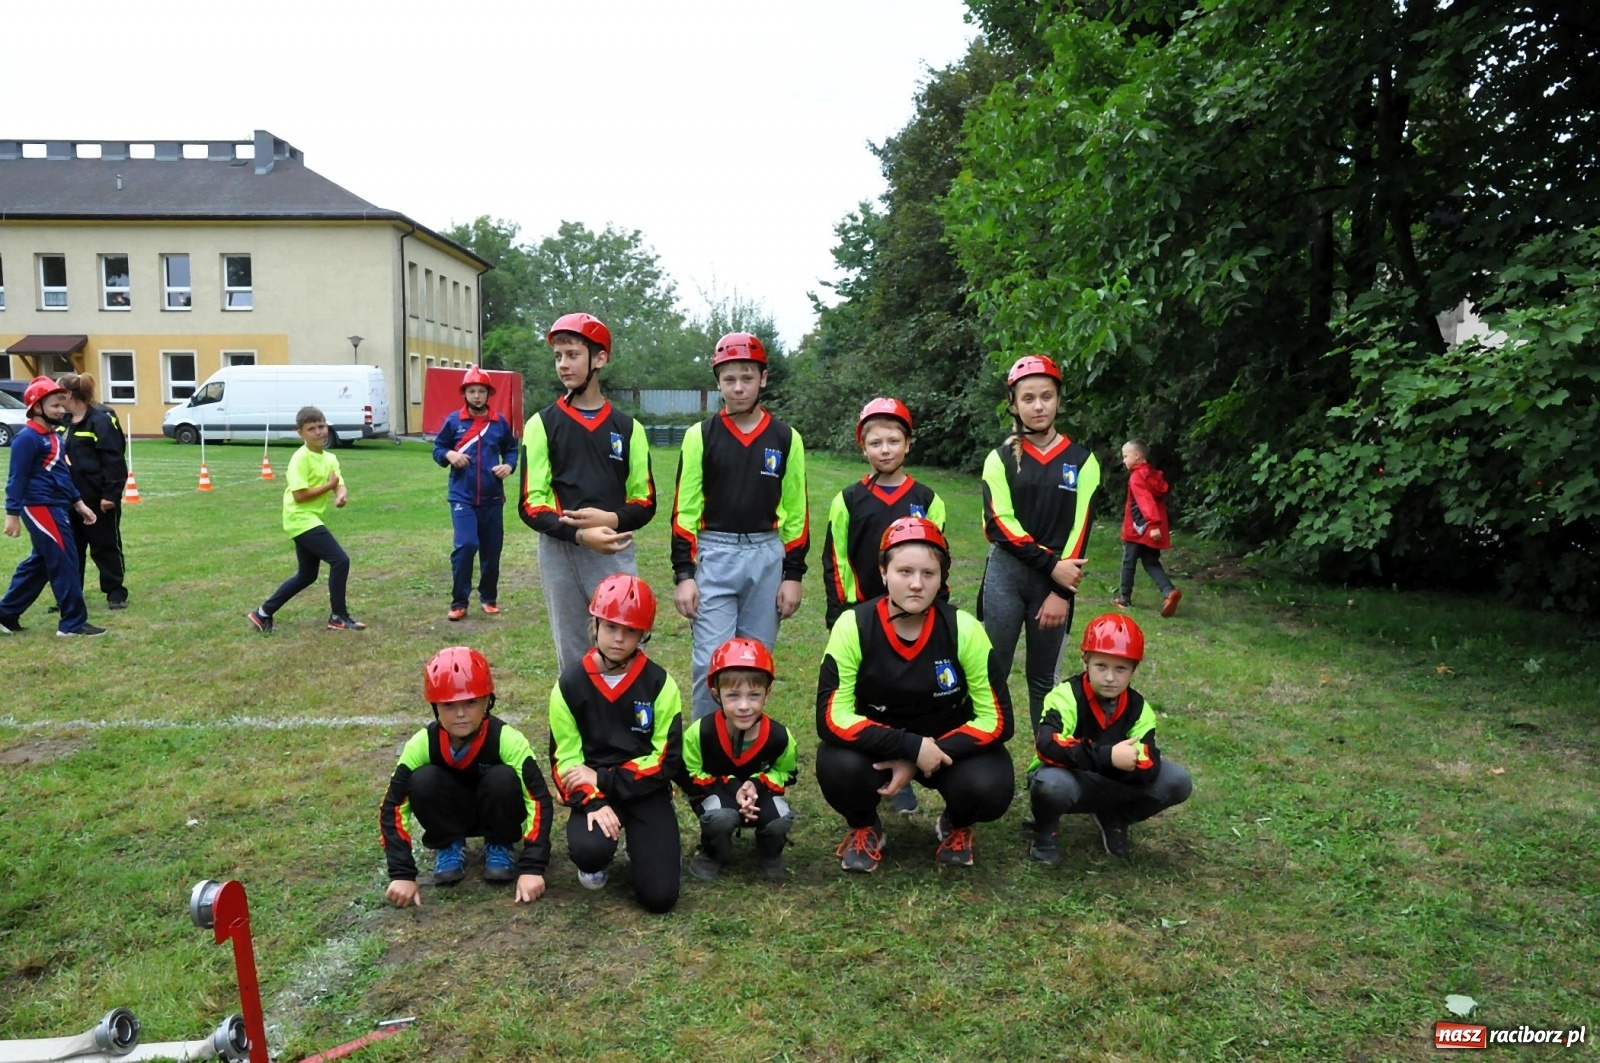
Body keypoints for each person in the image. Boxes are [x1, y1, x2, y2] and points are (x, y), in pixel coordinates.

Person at [816, 517, 1013, 872]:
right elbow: (832, 717)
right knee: (836, 764)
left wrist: (926, 753)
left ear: (942, 577)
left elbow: (998, 720)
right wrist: (907, 747)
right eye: (905, 571)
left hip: (948, 749)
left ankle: (957, 822)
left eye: (929, 573)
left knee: (990, 785)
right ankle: (865, 826)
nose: (917, 584)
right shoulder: (853, 626)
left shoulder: (963, 628)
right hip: (878, 751)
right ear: (883, 572)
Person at [671, 331, 809, 720]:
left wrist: (792, 574)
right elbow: (685, 510)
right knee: (710, 663)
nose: (739, 387)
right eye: (729, 379)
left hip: (767, 554)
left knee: (755, 664)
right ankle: (704, 752)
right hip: (715, 554)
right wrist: (684, 573)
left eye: (747, 377)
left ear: (763, 378)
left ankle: (747, 751)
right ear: (718, 382)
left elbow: (796, 512)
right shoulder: (701, 436)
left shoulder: (785, 438)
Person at [519, 313, 656, 672]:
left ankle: (622, 722)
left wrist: (610, 519)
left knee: (621, 644)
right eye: (558, 356)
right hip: (560, 551)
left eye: (573, 354)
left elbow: (645, 501)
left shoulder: (628, 429)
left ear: (600, 358)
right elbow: (530, 504)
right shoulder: (541, 424)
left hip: (613, 548)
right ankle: (576, 723)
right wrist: (579, 534)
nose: (563, 364)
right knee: (573, 652)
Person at [548, 573, 684, 913]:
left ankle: (640, 843)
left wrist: (605, 777)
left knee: (660, 898)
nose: (619, 639)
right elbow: (565, 762)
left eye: (630, 631)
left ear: (643, 634)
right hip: (596, 792)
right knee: (589, 850)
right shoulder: (569, 685)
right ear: (595, 624)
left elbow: (666, 760)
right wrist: (593, 801)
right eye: (610, 627)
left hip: (644, 788)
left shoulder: (660, 684)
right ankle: (597, 857)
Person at [979, 355, 1102, 732]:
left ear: (1058, 400)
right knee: (990, 672)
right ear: (1014, 404)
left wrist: (1060, 592)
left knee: (1042, 680)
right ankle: (984, 753)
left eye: (1046, 396)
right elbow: (1001, 525)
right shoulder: (999, 459)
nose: (1038, 405)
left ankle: (1046, 760)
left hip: (1056, 588)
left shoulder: (1083, 461)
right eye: (1028, 398)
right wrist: (1053, 569)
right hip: (1006, 576)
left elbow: (1080, 531)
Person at [380, 646, 552, 906]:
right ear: (435, 706)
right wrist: (402, 873)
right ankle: (449, 843)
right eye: (449, 705)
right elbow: (392, 806)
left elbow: (539, 800)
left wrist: (532, 867)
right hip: (451, 810)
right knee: (423, 779)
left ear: (487, 700)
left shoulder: (508, 740)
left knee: (503, 778)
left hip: (497, 808)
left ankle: (499, 842)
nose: (460, 713)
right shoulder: (421, 744)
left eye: (470, 702)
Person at [1027, 613, 1192, 862]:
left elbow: (1148, 765)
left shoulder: (1139, 708)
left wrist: (1111, 764)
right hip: (1070, 777)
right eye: (1101, 666)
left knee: (1177, 781)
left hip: (1106, 780)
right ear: (1085, 662)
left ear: (1134, 670)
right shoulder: (1064, 696)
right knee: (1052, 784)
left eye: (1121, 668)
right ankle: (1045, 829)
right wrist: (1109, 757)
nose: (1110, 677)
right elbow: (1048, 745)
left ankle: (1115, 816)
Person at [822, 397, 947, 630]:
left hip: (915, 610)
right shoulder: (847, 501)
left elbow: (939, 561)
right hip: (860, 610)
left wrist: (937, 605)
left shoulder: (928, 501)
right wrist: (837, 613)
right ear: (863, 447)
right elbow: (835, 562)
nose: (886, 450)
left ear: (908, 444)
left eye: (894, 441)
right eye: (876, 443)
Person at [680, 638, 798, 882]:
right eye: (733, 695)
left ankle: (769, 850)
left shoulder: (779, 737)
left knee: (782, 816)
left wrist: (756, 784)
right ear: (716, 693)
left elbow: (786, 772)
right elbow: (689, 775)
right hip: (717, 793)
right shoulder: (699, 734)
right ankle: (713, 851)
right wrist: (733, 788)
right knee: (721, 817)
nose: (744, 706)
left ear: (767, 693)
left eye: (754, 695)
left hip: (759, 795)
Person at [0, 376, 106, 637]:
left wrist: (79, 503)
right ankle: (72, 624)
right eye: (55, 406)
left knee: (41, 563)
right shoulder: (27, 439)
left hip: (57, 505)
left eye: (62, 405)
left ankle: (5, 614)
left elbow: (61, 474)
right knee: (65, 561)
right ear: (37, 407)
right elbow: (17, 478)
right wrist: (12, 514)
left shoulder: (54, 436)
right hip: (39, 507)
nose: (61, 410)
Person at [246, 405, 364, 633]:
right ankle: (338, 617)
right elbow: (299, 496)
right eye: (312, 429)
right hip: (299, 518)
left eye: (322, 426)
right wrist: (328, 486)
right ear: (300, 432)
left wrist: (340, 495)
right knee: (340, 560)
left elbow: (338, 482)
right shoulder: (300, 459)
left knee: (307, 575)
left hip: (308, 519)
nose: (319, 432)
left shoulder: (329, 457)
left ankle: (262, 613)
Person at [433, 366, 518, 622]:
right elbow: (438, 448)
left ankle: (488, 597)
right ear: (465, 393)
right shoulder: (454, 421)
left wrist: (509, 465)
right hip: (462, 496)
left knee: (492, 550)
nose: (477, 396)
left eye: (482, 391)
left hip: (492, 498)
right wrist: (449, 455)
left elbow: (512, 450)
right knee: (467, 545)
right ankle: (459, 602)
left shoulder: (499, 422)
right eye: (472, 391)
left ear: (488, 393)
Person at [59, 373, 129, 611]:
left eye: (59, 394)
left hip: (98, 498)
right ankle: (70, 595)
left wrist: (111, 494)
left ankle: (115, 592)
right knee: (71, 549)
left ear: (69, 394)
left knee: (104, 545)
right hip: (69, 499)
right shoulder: (63, 422)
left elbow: (114, 460)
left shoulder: (100, 421)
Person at [1113, 440, 1182, 617]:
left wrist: (1153, 524)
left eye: (1125, 456)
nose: (1124, 460)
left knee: (1128, 562)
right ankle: (1169, 592)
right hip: (1151, 531)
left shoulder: (1137, 477)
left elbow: (1145, 501)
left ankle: (1124, 598)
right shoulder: (1152, 475)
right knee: (1151, 562)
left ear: (1137, 456)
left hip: (1138, 529)